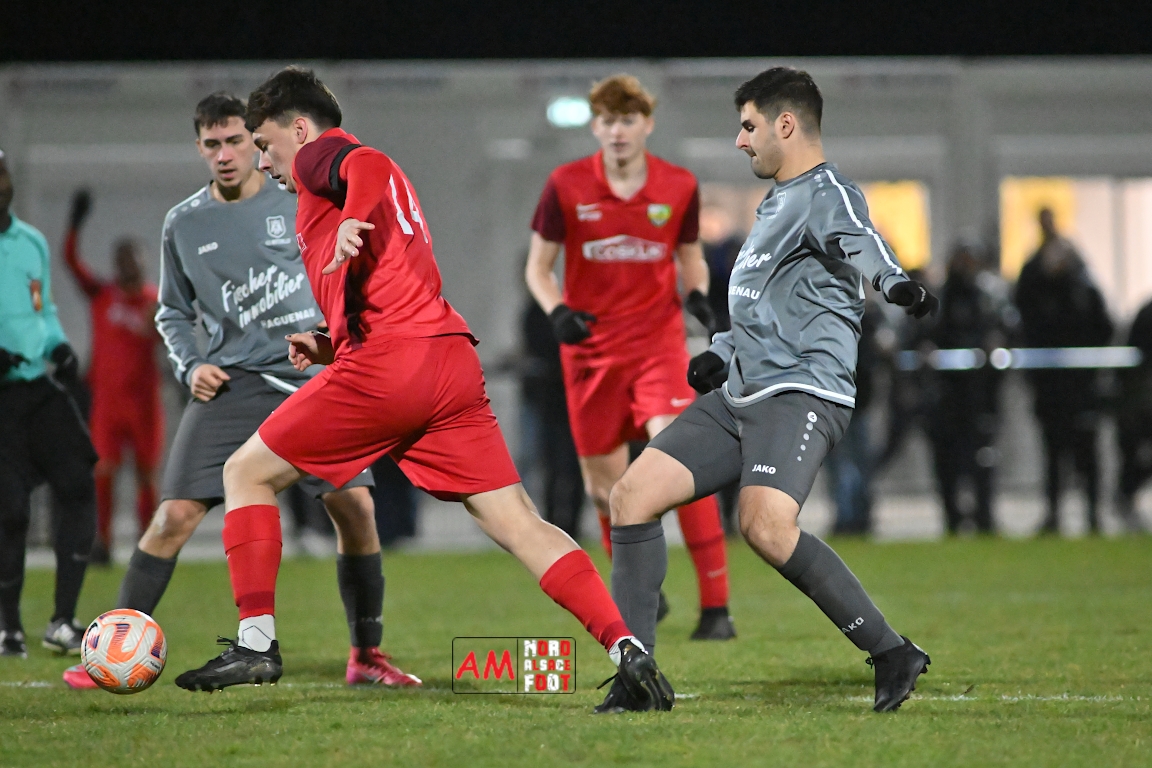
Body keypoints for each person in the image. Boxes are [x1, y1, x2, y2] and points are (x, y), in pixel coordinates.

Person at [174, 68, 673, 714]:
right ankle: (626, 648)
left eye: (265, 145)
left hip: (394, 364)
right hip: (445, 361)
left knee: (245, 472)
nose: (264, 161)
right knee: (520, 522)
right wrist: (330, 342)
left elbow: (366, 165)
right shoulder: (347, 183)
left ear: (299, 129)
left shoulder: (329, 158)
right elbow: (391, 278)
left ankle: (255, 643)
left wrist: (352, 219)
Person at [604, 67, 940, 713]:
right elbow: (759, 305)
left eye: (748, 125)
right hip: (742, 392)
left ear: (786, 124)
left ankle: (891, 651)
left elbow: (859, 238)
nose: (740, 140)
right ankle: (635, 677)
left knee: (762, 525)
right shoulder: (774, 206)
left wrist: (893, 283)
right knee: (631, 496)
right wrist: (720, 352)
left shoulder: (825, 191)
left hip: (801, 390)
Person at [63, 92, 418, 690]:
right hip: (234, 384)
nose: (225, 155)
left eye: (236, 142)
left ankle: (366, 655)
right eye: (213, 145)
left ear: (255, 144)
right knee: (172, 515)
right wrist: (191, 364)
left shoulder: (300, 198)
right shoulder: (183, 222)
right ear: (199, 148)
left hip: (311, 380)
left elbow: (349, 270)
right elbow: (172, 313)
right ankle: (110, 651)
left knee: (356, 509)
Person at [525, 74, 734, 640]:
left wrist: (697, 296)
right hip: (591, 357)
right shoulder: (566, 184)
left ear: (648, 124)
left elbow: (691, 257)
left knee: (677, 459)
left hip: (656, 347)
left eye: (628, 120)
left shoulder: (677, 185)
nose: (617, 131)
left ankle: (716, 607)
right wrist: (557, 311)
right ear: (595, 126)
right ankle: (640, 588)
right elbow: (538, 268)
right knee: (605, 489)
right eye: (608, 120)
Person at [0, 148, 98, 659]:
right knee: (10, 511)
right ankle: (8, 628)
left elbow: (44, 310)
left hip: (36, 388)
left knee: (79, 482)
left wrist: (58, 345)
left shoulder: (31, 243)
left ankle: (62, 620)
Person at [62, 196, 163, 564]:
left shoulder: (154, 302)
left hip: (143, 401)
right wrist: (74, 226)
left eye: (134, 257)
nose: (128, 263)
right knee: (103, 470)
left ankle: (147, 543)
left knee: (146, 474)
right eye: (123, 257)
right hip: (107, 400)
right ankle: (102, 541)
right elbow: (72, 263)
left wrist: (160, 328)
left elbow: (172, 340)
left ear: (144, 262)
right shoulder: (103, 295)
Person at [1015, 208, 1113, 534]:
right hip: (1051, 385)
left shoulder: (1082, 284)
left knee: (1087, 453)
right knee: (1054, 453)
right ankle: (1054, 513)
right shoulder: (1034, 278)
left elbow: (1103, 326)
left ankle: (1093, 514)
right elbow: (1025, 320)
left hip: (1081, 384)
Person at [926, 240, 1017, 534]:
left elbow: (1009, 328)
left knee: (983, 458)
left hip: (980, 393)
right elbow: (923, 331)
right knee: (947, 461)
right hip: (947, 395)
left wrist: (997, 343)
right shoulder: (939, 298)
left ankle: (984, 516)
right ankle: (953, 519)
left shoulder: (988, 297)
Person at [1116, 299, 1152, 532]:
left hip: (1140, 397)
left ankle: (1126, 493)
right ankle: (1126, 494)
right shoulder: (1148, 313)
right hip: (1141, 398)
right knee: (1133, 453)